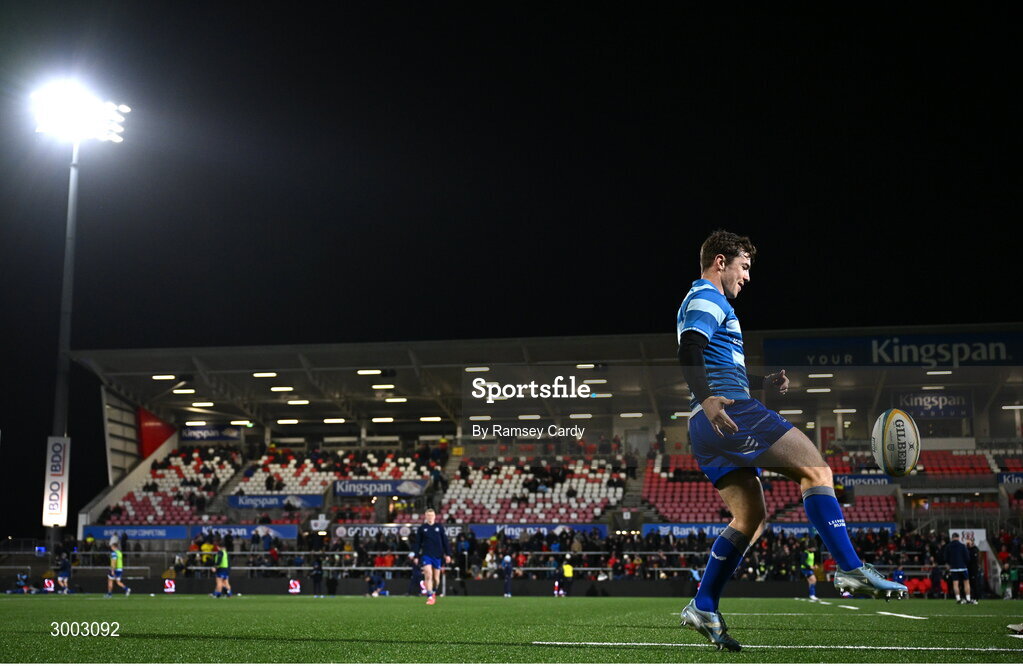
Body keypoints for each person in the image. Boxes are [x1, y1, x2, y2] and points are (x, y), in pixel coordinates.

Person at [676, 230, 906, 651]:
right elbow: (690, 347)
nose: (746, 277)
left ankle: (703, 604)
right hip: (729, 411)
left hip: (705, 425)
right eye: (744, 267)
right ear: (721, 261)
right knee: (816, 469)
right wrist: (711, 399)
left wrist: (762, 381)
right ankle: (851, 567)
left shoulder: (704, 301)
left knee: (750, 518)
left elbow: (714, 358)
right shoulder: (709, 296)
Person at [412, 508, 451, 606]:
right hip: (426, 555)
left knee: (436, 579)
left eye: (431, 515)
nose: (430, 517)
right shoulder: (422, 528)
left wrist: (448, 554)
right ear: (425, 516)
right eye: (428, 515)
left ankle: (433, 592)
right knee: (428, 574)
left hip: (437, 555)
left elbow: (445, 541)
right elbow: (417, 543)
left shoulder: (439, 527)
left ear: (434, 516)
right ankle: (429, 596)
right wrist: (416, 555)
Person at [943, 533, 975, 604]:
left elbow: (945, 558)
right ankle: (968, 599)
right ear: (958, 537)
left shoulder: (948, 546)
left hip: (953, 568)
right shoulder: (962, 546)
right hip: (963, 567)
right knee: (966, 583)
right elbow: (967, 557)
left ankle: (958, 599)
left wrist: (950, 564)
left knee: (955, 584)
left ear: (952, 538)